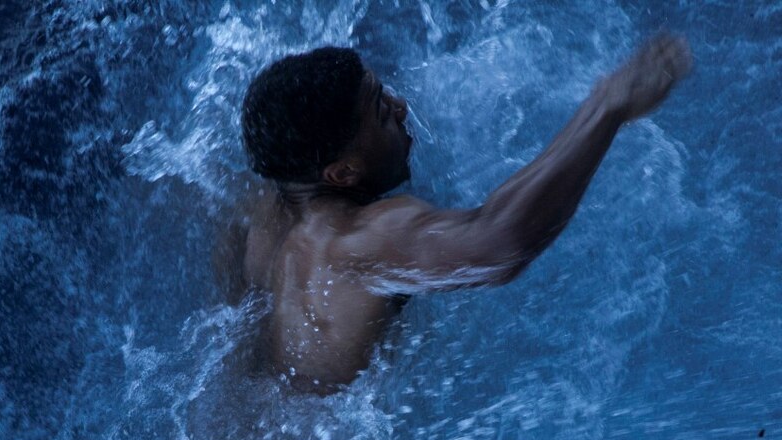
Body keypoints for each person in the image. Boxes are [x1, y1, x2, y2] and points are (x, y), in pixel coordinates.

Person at [218, 36, 691, 393]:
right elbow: (500, 244)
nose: (402, 109)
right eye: (381, 113)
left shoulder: (257, 213)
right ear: (342, 172)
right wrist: (607, 107)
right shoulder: (351, 244)